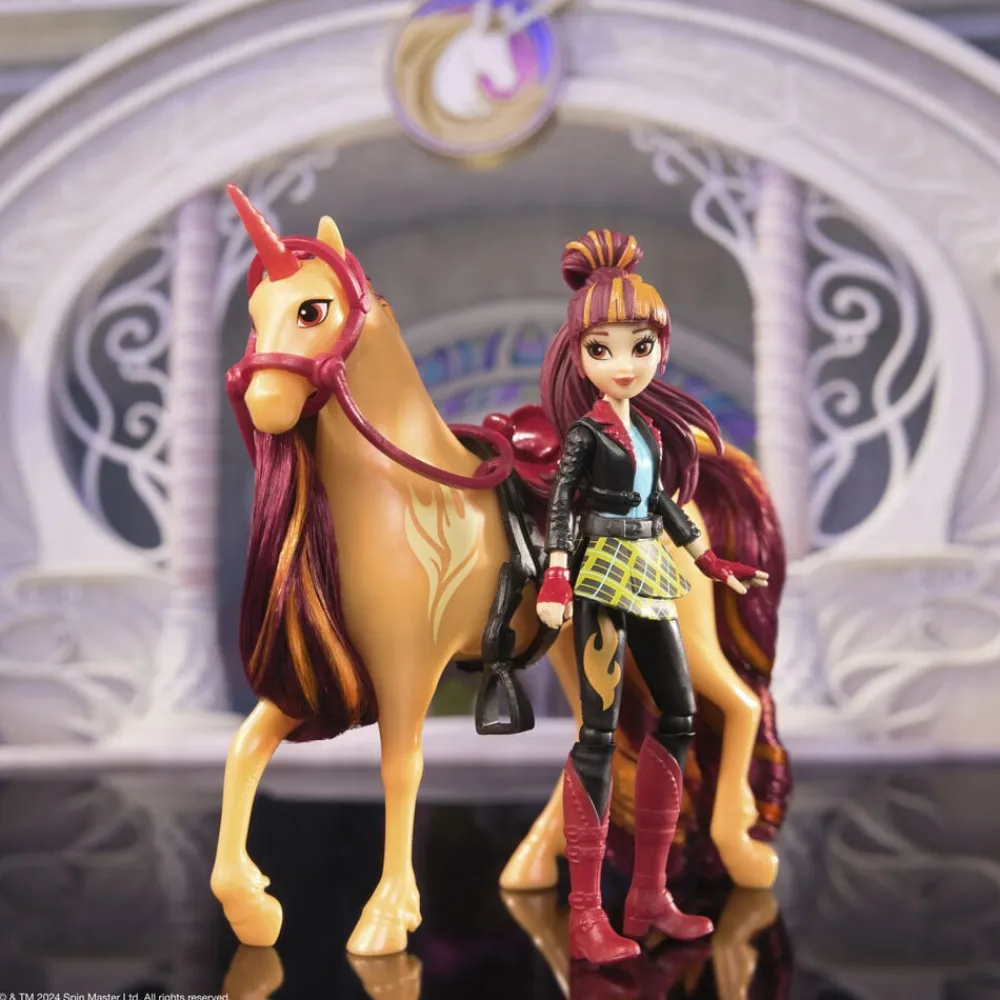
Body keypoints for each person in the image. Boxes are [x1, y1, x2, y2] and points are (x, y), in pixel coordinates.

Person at [535, 229, 769, 965]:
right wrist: (555, 574)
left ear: (659, 350)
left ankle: (648, 894)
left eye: (640, 347)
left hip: (650, 571)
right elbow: (562, 504)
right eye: (601, 348)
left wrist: (712, 561)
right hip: (600, 573)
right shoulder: (586, 434)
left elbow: (664, 505)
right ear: (579, 355)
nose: (623, 363)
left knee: (679, 713)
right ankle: (585, 913)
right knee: (599, 735)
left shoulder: (649, 437)